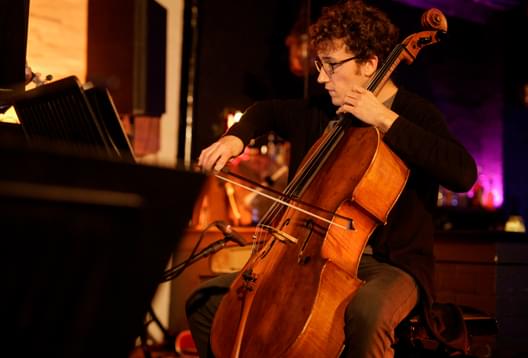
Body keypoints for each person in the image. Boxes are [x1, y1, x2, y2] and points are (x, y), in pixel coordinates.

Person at [187, 0, 478, 357]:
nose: (322, 77)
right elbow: (266, 112)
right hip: (308, 258)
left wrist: (383, 119)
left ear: (370, 64)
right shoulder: (322, 111)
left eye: (332, 65)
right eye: (319, 64)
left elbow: (463, 173)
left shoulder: (416, 115)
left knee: (367, 312)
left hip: (391, 266)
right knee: (206, 301)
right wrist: (235, 137)